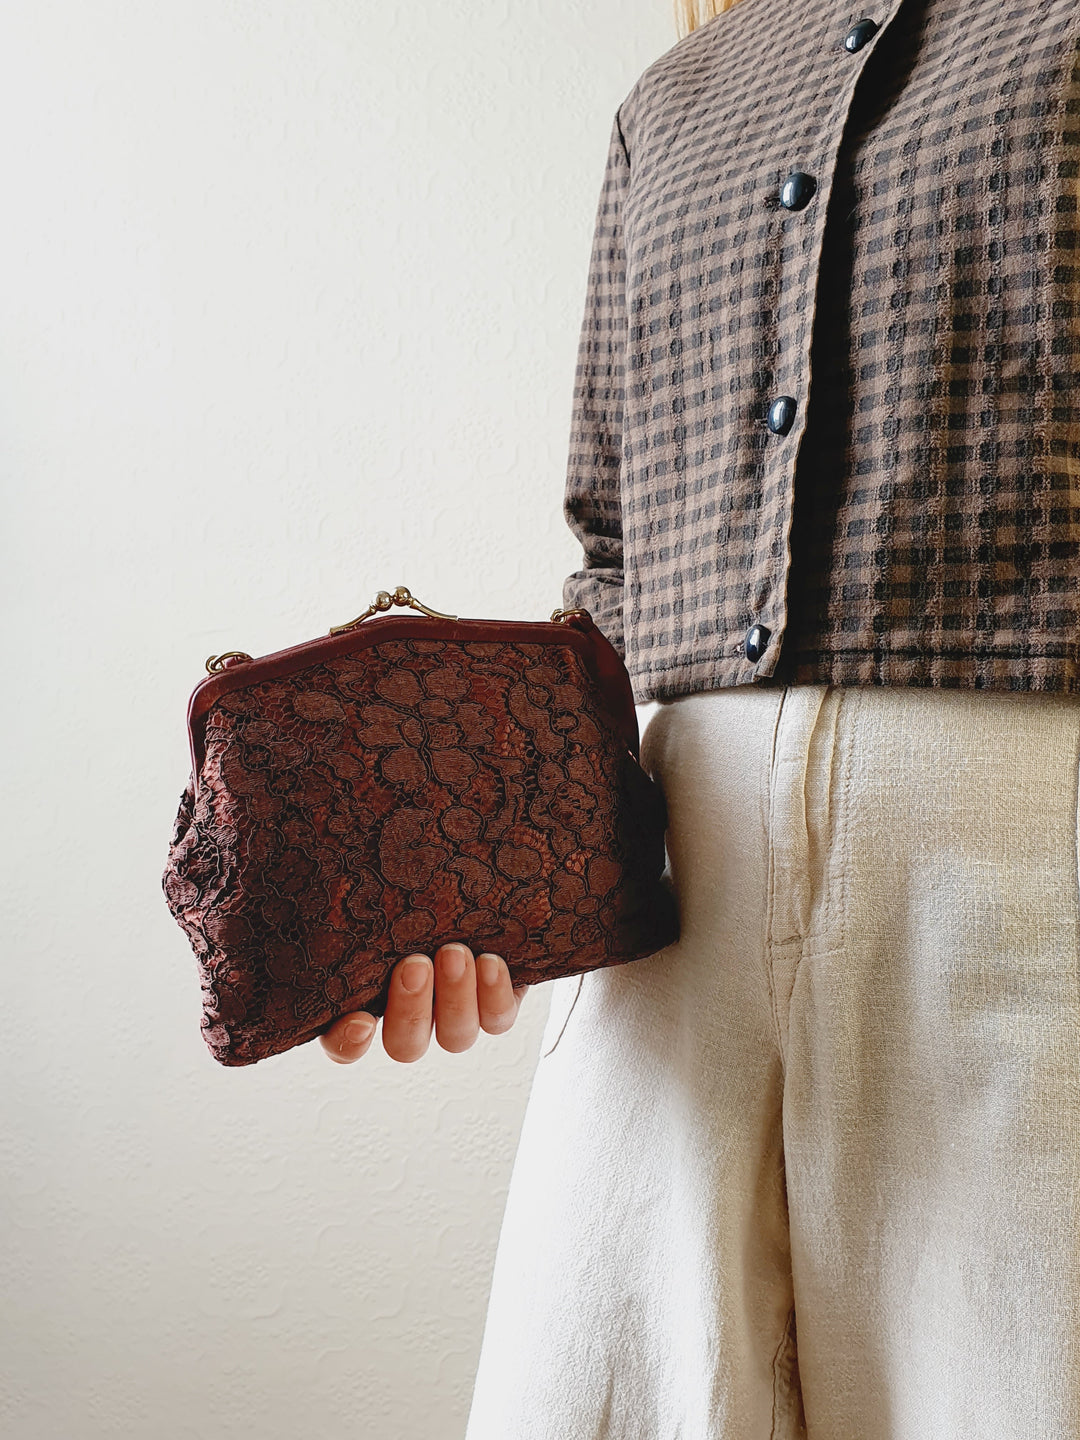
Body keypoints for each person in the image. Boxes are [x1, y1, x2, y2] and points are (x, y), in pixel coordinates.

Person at [325, 0, 1080, 1433]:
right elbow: (610, 567)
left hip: (1034, 909)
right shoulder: (680, 94)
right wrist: (477, 880)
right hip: (674, 934)